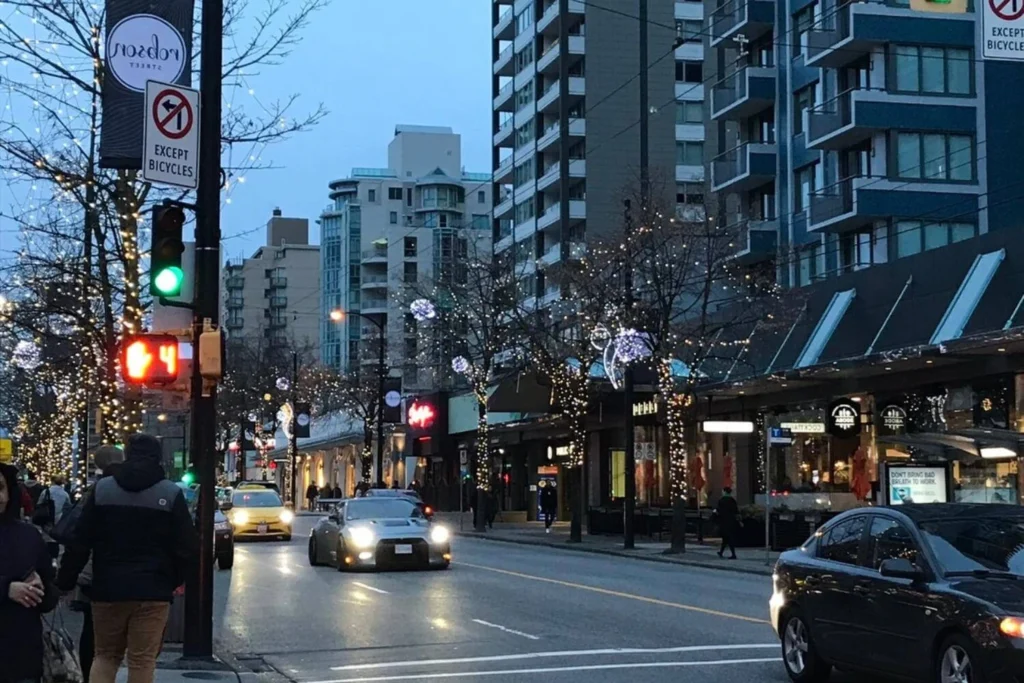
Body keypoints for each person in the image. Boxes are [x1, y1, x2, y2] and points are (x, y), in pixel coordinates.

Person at [57, 434, 199, 683]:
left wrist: (65, 581)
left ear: (127, 455)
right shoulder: (170, 493)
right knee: (142, 660)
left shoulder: (103, 489)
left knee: (105, 656)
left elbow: (80, 541)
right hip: (153, 590)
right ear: (158, 457)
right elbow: (187, 546)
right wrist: (171, 580)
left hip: (107, 587)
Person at [58, 445, 124, 683]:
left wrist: (65, 579)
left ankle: (90, 676)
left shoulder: (94, 490)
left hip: (93, 571)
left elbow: (78, 538)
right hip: (122, 571)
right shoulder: (126, 488)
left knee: (92, 631)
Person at [0, 462, 60, 683]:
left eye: (0, 488)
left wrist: (40, 591)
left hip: (21, 652)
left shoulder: (28, 535)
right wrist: (7, 588)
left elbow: (49, 586)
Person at [715, 487, 740, 560]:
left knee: (727, 538)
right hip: (731, 521)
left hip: (723, 521)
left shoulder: (722, 500)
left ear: (724, 491)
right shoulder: (732, 500)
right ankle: (721, 552)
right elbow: (736, 511)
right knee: (726, 538)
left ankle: (733, 554)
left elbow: (718, 510)